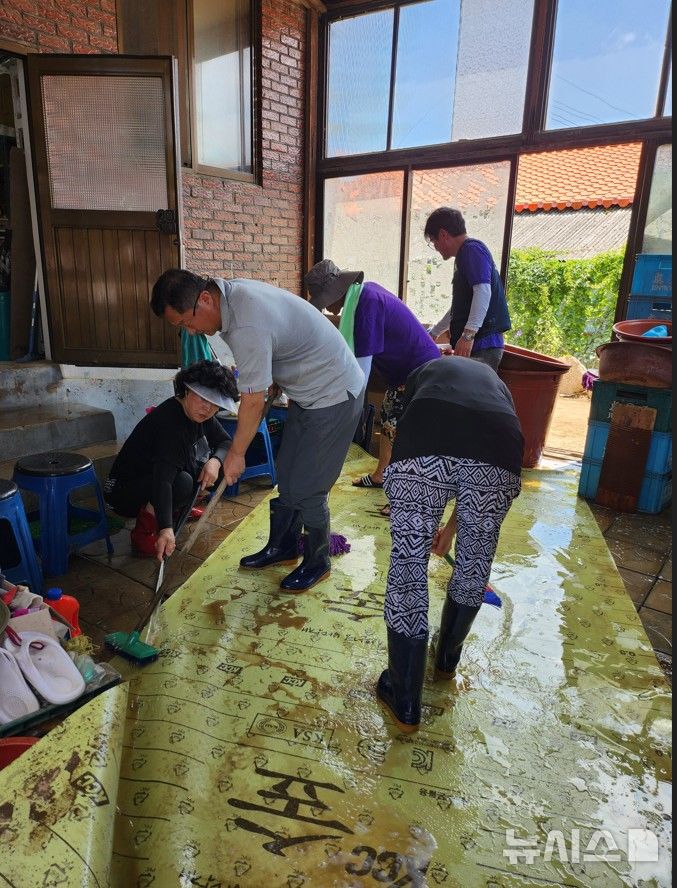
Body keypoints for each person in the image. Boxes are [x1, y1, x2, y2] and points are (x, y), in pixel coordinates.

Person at [150, 269, 365, 592]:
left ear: (205, 299)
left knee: (309, 485)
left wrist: (236, 454)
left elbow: (252, 400)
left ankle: (318, 560)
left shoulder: (245, 322)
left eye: (186, 322)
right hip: (307, 392)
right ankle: (284, 546)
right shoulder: (231, 299)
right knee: (288, 473)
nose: (191, 332)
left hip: (335, 394)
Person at [376, 356, 523, 732]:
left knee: (409, 564)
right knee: (474, 562)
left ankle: (405, 700)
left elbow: (398, 429)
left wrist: (424, 520)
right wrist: (453, 529)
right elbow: (471, 465)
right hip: (498, 445)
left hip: (427, 436)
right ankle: (445, 662)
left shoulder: (419, 374)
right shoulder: (495, 383)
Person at [304, 259, 440, 490]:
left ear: (336, 291)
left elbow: (361, 371)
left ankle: (404, 493)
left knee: (402, 429)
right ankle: (382, 475)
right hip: (401, 374)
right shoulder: (364, 295)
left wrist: (343, 409)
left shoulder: (367, 304)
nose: (327, 307)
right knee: (388, 417)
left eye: (325, 300)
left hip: (418, 371)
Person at [104, 360, 239, 560]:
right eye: (203, 399)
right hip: (123, 493)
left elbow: (226, 442)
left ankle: (175, 509)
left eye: (215, 404)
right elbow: (163, 481)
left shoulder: (200, 415)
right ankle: (145, 529)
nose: (207, 408)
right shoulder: (170, 424)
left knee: (215, 467)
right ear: (186, 390)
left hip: (159, 479)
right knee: (182, 482)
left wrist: (215, 461)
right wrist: (166, 530)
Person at [424, 207, 511, 372]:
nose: (435, 247)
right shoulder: (465, 255)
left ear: (443, 234)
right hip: (476, 344)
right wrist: (434, 333)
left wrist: (468, 335)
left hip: (482, 344)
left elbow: (483, 291)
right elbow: (459, 308)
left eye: (433, 241)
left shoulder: (472, 250)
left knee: (471, 394)